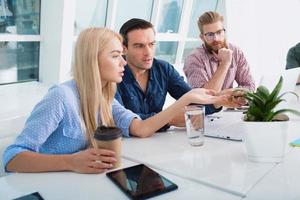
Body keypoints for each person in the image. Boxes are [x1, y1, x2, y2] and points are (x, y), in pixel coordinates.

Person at [3, 28, 227, 174]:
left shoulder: (104, 97)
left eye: (121, 54)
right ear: (93, 59)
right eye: (115, 55)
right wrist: (70, 162)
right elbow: (12, 158)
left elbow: (141, 127)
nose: (123, 62)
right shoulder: (61, 97)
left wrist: (187, 98)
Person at [115, 18, 242, 130]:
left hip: (157, 143)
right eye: (139, 46)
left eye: (152, 44)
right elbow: (120, 120)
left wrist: (219, 100)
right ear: (124, 49)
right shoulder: (113, 76)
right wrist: (169, 118)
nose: (148, 52)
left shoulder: (164, 69)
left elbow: (193, 102)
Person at [183, 11, 255, 92]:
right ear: (202, 37)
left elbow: (249, 85)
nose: (216, 39)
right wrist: (225, 63)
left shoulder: (236, 52)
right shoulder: (194, 58)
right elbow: (204, 97)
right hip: (205, 105)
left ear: (224, 32)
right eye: (210, 34)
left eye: (219, 32)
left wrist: (236, 96)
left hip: (231, 104)